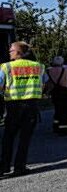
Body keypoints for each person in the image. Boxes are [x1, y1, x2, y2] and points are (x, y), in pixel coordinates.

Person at [0, 41, 46, 176]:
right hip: (31, 105)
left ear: (19, 52)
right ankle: (20, 167)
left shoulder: (6, 67)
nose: (9, 52)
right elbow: (45, 83)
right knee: (25, 138)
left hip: (13, 106)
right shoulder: (39, 67)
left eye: (11, 50)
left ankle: (4, 167)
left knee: (8, 137)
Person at [46, 55, 67, 135]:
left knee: (57, 109)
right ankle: (64, 129)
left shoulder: (48, 70)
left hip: (54, 91)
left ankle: (56, 126)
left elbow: (48, 82)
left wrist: (48, 91)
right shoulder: (64, 70)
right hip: (64, 91)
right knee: (65, 111)